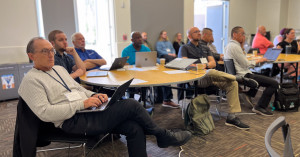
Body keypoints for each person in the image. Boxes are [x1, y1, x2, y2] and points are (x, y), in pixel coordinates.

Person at [19, 37, 192, 157]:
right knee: (131, 104)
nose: (51, 54)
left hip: (86, 112)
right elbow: (45, 113)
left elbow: (77, 89)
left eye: (51, 50)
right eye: (45, 51)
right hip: (72, 121)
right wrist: (83, 103)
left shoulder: (58, 69)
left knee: (134, 127)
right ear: (31, 56)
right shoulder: (31, 80)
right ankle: (162, 135)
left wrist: (94, 95)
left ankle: (161, 137)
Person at [178, 27, 260, 130]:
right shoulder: (184, 48)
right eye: (196, 32)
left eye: (199, 31)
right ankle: (239, 78)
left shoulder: (205, 48)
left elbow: (213, 63)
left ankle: (231, 117)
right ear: (189, 36)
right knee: (211, 71)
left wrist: (205, 65)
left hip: (210, 76)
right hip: (196, 79)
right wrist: (202, 66)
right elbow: (185, 64)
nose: (199, 33)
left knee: (232, 83)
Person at [224, 26, 279, 116]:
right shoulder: (235, 46)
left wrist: (242, 46)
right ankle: (260, 107)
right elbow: (246, 64)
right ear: (235, 34)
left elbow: (243, 62)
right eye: (242, 34)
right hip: (243, 75)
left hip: (239, 73)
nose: (244, 36)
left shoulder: (229, 45)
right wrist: (259, 60)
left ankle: (249, 93)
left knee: (261, 76)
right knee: (274, 83)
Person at [122, 32, 180, 108]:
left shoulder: (146, 48)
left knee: (164, 77)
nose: (140, 39)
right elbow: (125, 66)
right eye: (137, 38)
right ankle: (131, 103)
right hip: (133, 75)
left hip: (148, 73)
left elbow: (152, 60)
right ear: (132, 40)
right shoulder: (126, 51)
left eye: (140, 37)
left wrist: (159, 62)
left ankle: (167, 100)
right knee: (130, 83)